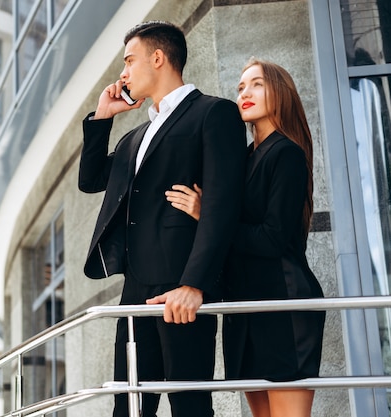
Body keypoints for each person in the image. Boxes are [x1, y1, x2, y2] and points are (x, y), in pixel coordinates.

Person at [78, 20, 247, 417]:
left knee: (190, 406)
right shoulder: (135, 136)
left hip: (180, 289)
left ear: (158, 57)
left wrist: (195, 284)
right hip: (135, 294)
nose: (123, 73)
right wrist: (104, 116)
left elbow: (221, 205)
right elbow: (91, 180)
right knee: (130, 408)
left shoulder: (214, 113)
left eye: (129, 60)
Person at [160, 58, 325, 417]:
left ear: (280, 92)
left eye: (256, 85)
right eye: (240, 88)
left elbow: (272, 239)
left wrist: (211, 218)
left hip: (282, 305)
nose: (244, 93)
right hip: (245, 310)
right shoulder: (245, 157)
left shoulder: (287, 153)